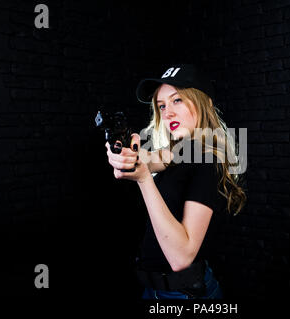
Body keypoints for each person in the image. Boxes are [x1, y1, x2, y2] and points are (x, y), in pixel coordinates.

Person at [104, 64, 246, 299]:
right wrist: (128, 155)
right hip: (158, 290)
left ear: (205, 103)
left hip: (183, 296)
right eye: (162, 105)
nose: (167, 112)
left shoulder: (206, 161)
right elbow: (152, 158)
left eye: (177, 100)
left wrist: (143, 179)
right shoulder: (183, 151)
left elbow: (181, 258)